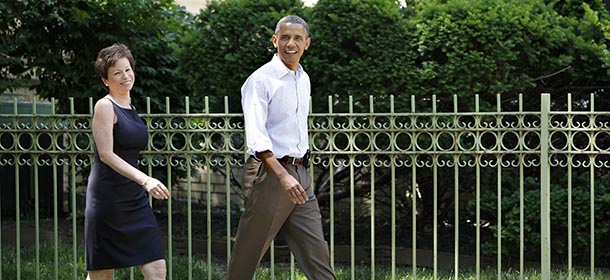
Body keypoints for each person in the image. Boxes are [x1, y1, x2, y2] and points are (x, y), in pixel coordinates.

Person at [226, 15, 336, 279]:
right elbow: (256, 136)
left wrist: (295, 175)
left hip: (300, 176)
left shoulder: (303, 78)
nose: (291, 43)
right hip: (271, 175)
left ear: (307, 43)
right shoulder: (260, 80)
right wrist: (283, 176)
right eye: (285, 37)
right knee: (247, 256)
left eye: (298, 38)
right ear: (275, 40)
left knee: (317, 253)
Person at [85, 43, 170, 280]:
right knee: (102, 273)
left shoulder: (130, 107)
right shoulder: (104, 106)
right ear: (105, 79)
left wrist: (141, 184)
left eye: (128, 70)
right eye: (117, 73)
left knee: (156, 268)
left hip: (133, 198)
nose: (125, 76)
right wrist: (145, 180)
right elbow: (106, 154)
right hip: (108, 198)